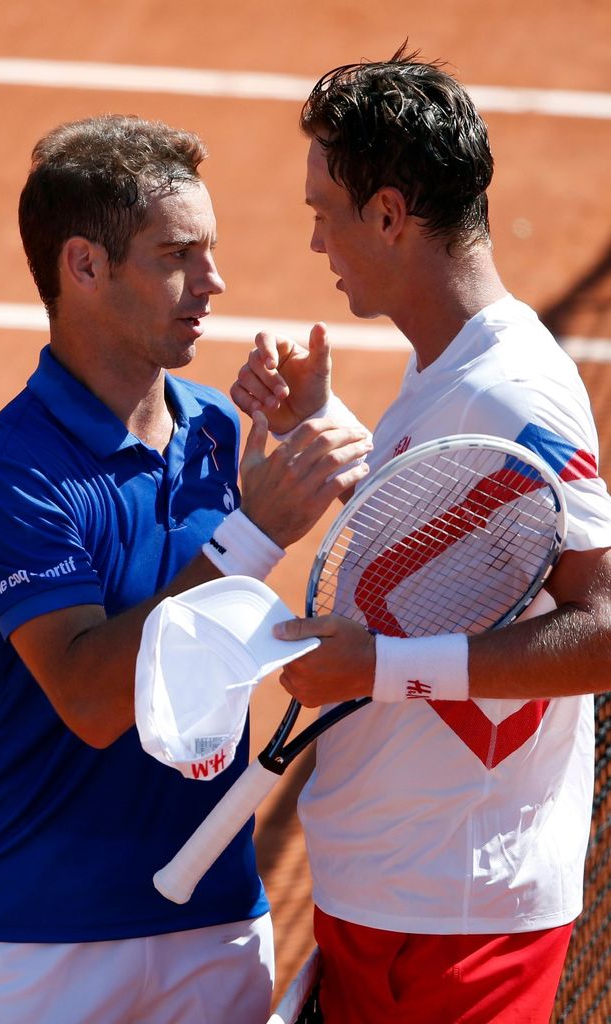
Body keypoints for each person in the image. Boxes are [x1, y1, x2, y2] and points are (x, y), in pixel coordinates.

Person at [0, 114, 372, 1024]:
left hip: (212, 919)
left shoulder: (220, 430)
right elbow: (93, 698)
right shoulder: (10, 469)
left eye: (210, 251)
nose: (215, 284)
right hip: (36, 939)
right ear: (83, 266)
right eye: (180, 255)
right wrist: (251, 532)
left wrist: (324, 454)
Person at [231, 47, 611, 1024]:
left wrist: (380, 667)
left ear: (390, 214)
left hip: (457, 922)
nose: (316, 240)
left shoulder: (512, 393)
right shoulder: (448, 368)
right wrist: (326, 430)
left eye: (325, 211)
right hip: (400, 897)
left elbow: (603, 628)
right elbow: (459, 528)